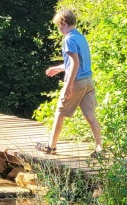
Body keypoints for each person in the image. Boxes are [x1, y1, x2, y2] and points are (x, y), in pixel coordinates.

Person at [35, 9, 103, 158]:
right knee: (90, 115)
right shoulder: (80, 37)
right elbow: (79, 62)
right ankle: (99, 148)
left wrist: (67, 86)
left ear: (64, 23)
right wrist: (59, 68)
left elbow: (75, 64)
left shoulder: (69, 39)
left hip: (76, 83)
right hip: (88, 82)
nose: (58, 29)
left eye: (58, 25)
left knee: (60, 112)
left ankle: (51, 147)